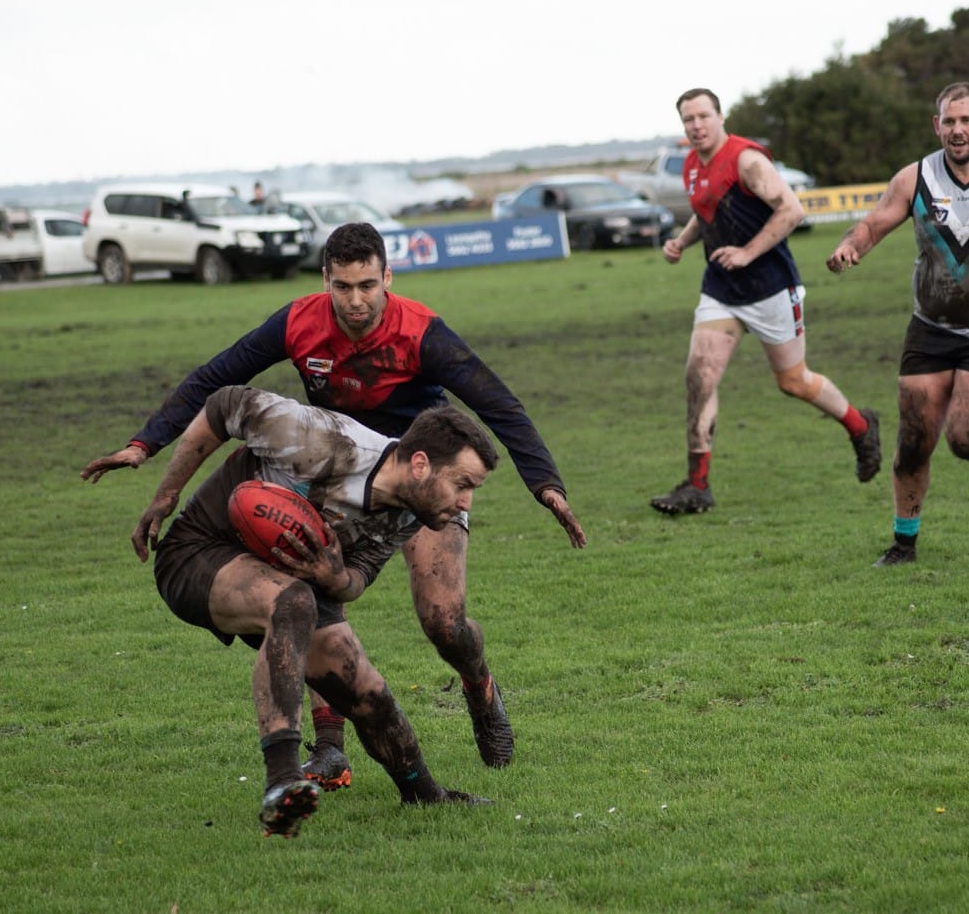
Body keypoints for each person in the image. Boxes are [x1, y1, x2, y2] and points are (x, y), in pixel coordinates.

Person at [81, 221, 586, 787]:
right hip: (335, 468)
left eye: (367, 285)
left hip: (418, 478)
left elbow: (500, 406)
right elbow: (217, 379)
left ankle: (480, 686)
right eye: (342, 287)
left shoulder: (421, 333)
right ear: (325, 280)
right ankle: (329, 748)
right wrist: (144, 444)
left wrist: (547, 485)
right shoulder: (299, 322)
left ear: (388, 278)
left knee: (443, 620)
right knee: (313, 584)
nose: (355, 300)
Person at [129, 384, 498, 836]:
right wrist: (166, 495)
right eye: (462, 485)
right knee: (293, 601)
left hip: (291, 580)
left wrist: (335, 577)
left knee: (367, 691)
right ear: (419, 465)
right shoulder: (322, 440)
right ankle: (282, 781)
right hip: (199, 552)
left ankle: (424, 794)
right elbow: (223, 405)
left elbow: (356, 579)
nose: (465, 503)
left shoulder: (409, 513)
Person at [826, 81, 969, 566]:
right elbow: (873, 223)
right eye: (949, 122)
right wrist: (852, 245)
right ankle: (903, 544)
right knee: (912, 442)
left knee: (966, 436)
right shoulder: (915, 178)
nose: (957, 130)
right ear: (936, 126)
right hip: (931, 329)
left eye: (966, 120)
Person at [652, 87, 882, 515]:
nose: (697, 125)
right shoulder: (691, 165)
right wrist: (681, 243)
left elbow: (791, 210)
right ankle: (697, 486)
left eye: (703, 116)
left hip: (772, 288)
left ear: (721, 117)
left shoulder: (747, 160)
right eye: (688, 120)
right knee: (700, 375)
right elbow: (707, 213)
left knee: (793, 381)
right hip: (721, 290)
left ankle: (861, 425)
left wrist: (747, 252)